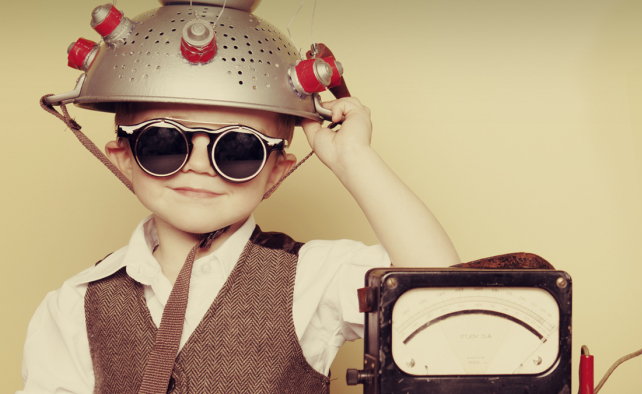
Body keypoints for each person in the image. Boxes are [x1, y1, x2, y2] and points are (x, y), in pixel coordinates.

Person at [19, 1, 460, 393]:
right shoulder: (75, 303)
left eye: (237, 149)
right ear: (124, 158)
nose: (197, 164)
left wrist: (354, 160)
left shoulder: (312, 279)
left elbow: (446, 297)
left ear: (275, 172)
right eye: (164, 143)